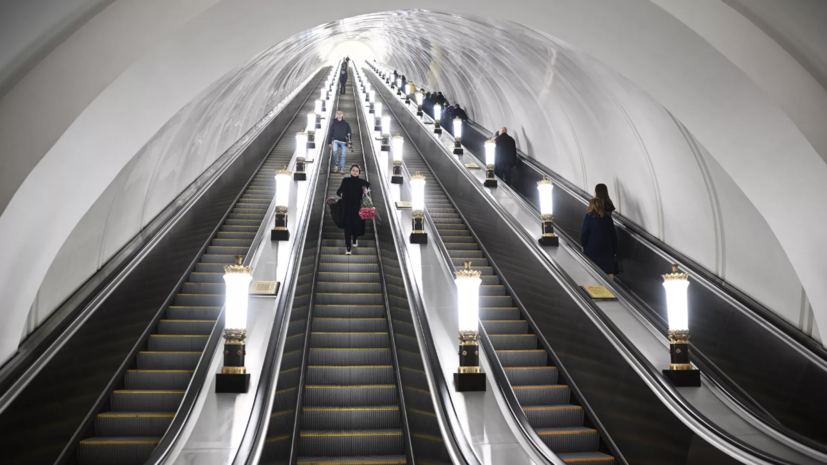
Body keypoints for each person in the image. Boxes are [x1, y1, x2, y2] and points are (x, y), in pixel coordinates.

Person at [337, 164, 370, 255]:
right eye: (353, 170)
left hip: (358, 208)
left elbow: (368, 187)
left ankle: (355, 238)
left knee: (356, 225)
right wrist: (341, 194)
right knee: (347, 227)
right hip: (347, 208)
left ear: (359, 172)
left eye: (357, 171)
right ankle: (348, 247)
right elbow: (339, 191)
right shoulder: (346, 180)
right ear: (350, 171)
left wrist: (366, 192)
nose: (355, 172)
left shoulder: (362, 182)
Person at [580, 198, 618, 277]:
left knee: (592, 273)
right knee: (608, 273)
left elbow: (584, 233)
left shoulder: (588, 217)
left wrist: (583, 245)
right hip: (607, 251)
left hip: (592, 251)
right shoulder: (608, 218)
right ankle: (610, 289)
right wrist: (614, 251)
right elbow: (613, 236)